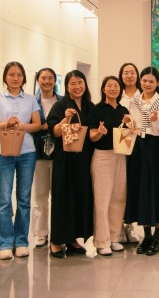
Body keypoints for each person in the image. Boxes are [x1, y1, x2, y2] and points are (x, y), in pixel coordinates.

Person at [0, 61, 41, 260]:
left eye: (19, 75)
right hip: (2, 153)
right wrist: (5, 124)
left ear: (23, 78)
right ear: (5, 77)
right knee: (3, 200)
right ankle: (5, 243)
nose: (15, 78)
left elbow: (37, 125)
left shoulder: (30, 99)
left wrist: (20, 125)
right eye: (11, 74)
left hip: (27, 153)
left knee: (24, 200)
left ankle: (22, 242)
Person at [124, 66, 159, 256]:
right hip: (139, 148)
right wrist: (129, 123)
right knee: (142, 190)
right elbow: (134, 126)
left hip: (156, 149)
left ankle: (157, 237)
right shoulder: (134, 101)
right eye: (144, 80)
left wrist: (155, 120)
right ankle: (146, 236)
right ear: (140, 81)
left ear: (157, 83)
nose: (147, 84)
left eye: (151, 81)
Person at [46, 70, 95, 258]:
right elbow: (55, 132)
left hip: (83, 160)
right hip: (64, 160)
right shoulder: (60, 106)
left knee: (79, 198)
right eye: (73, 83)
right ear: (67, 87)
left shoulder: (90, 106)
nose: (77, 87)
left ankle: (72, 239)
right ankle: (56, 241)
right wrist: (66, 119)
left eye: (80, 82)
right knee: (62, 198)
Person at [89, 76, 130, 256]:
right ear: (103, 89)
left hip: (120, 155)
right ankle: (102, 241)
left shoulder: (123, 110)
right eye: (109, 86)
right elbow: (92, 137)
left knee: (118, 198)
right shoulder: (96, 109)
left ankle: (115, 237)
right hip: (102, 156)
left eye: (116, 86)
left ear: (120, 90)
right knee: (102, 200)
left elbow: (127, 135)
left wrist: (130, 125)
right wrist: (99, 132)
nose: (113, 88)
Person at [32, 68, 61, 248]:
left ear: (55, 81)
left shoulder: (62, 101)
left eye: (50, 78)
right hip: (37, 153)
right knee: (40, 195)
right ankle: (41, 233)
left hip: (60, 154)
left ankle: (59, 232)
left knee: (59, 195)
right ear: (38, 80)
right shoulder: (31, 101)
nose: (47, 81)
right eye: (43, 78)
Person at [117, 62, 142, 244]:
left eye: (132, 72)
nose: (129, 76)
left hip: (139, 144)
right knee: (120, 185)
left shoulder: (143, 95)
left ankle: (129, 225)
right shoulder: (118, 95)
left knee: (134, 184)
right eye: (125, 73)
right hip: (121, 143)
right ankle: (117, 225)